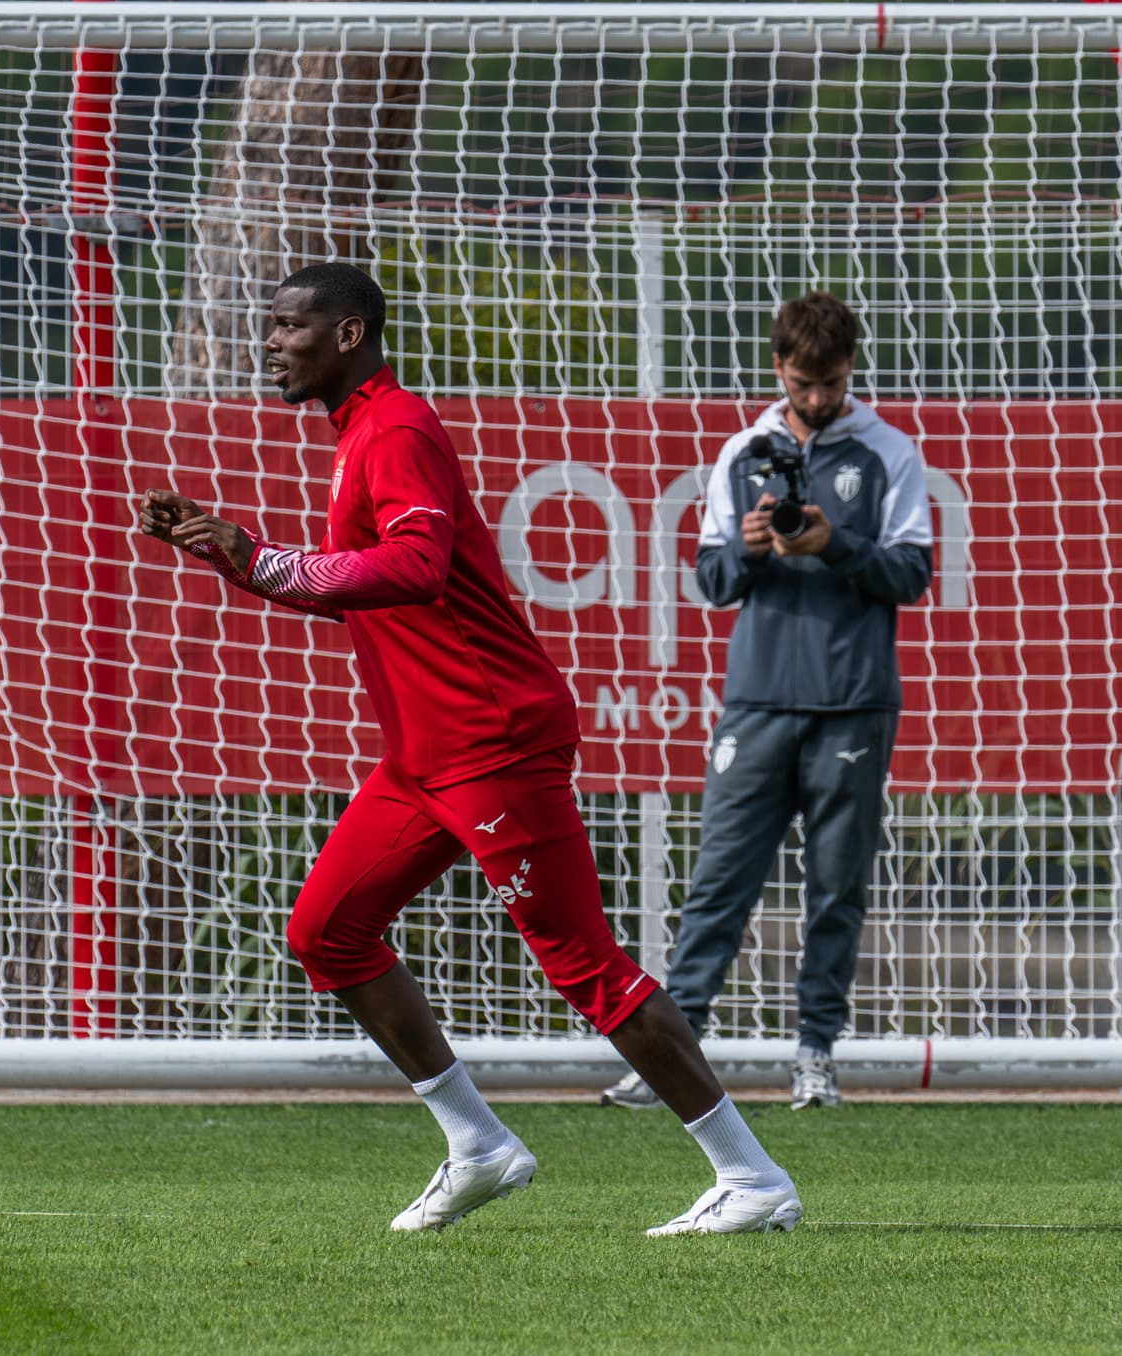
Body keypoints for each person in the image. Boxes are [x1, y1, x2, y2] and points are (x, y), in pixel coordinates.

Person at [142, 261, 800, 1236]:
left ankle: (750, 1178)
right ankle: (478, 1144)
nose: (271, 342)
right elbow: (356, 578)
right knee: (326, 932)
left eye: (289, 325)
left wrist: (260, 559)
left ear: (348, 334)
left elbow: (411, 565)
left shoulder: (396, 425)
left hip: (489, 739)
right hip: (423, 755)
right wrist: (236, 556)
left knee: (584, 967)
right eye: (270, 324)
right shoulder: (358, 430)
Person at [601, 290, 933, 1113]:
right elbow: (712, 582)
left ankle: (815, 1055)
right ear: (777, 367)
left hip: (853, 699)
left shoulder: (889, 452)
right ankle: (670, 1057)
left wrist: (837, 542)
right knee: (719, 883)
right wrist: (749, 551)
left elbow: (913, 574)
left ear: (851, 368)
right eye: (802, 381)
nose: (816, 399)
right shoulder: (740, 451)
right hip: (755, 699)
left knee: (836, 886)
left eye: (829, 382)